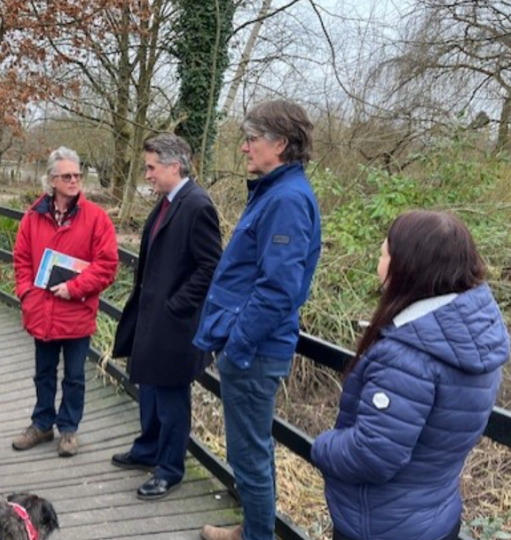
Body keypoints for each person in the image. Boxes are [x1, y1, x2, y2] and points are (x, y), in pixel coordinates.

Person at [311, 211, 510, 540]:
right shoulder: (476, 338)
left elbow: (372, 454)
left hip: (382, 525)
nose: (379, 259)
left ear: (407, 266)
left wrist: (323, 446)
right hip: (436, 515)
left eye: (384, 253)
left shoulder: (406, 357)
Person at [195, 100, 322, 540]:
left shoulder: (286, 200)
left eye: (252, 139)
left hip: (255, 352)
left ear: (280, 144)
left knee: (249, 454)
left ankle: (257, 537)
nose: (244, 147)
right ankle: (253, 529)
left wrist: (237, 345)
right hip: (253, 348)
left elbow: (278, 289)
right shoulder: (276, 192)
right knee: (251, 449)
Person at [110, 134, 222, 500]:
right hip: (154, 321)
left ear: (175, 166)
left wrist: (176, 304)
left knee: (173, 401)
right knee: (151, 391)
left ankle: (170, 469)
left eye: (152, 167)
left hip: (175, 326)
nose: (147, 174)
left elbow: (210, 267)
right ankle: (147, 449)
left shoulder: (197, 205)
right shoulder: (168, 202)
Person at [12, 146, 118, 457]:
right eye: (67, 176)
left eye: (77, 175)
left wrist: (74, 288)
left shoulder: (97, 219)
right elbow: (21, 261)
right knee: (43, 372)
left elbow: (107, 265)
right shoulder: (33, 217)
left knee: (74, 376)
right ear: (52, 180)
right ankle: (42, 424)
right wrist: (27, 294)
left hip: (76, 311)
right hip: (42, 310)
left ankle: (69, 428)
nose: (74, 181)